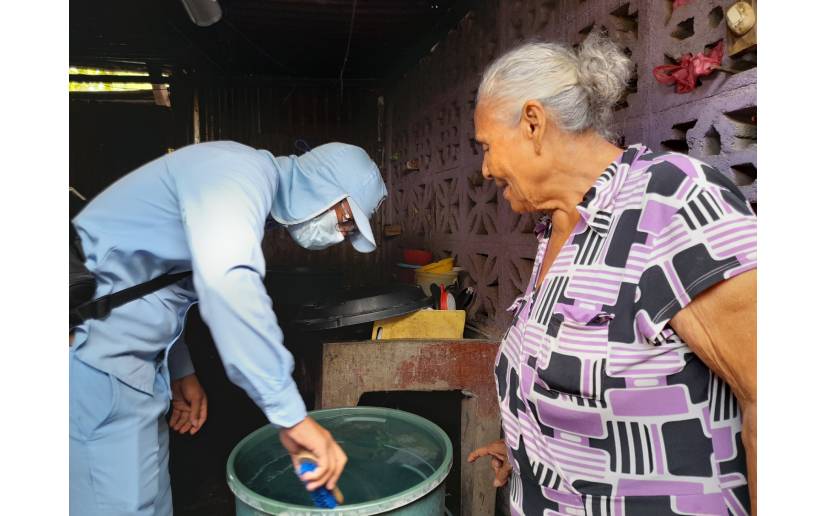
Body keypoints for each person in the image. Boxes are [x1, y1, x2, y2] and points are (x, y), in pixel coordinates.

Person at [466, 33, 757, 515]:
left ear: (533, 123)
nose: (485, 168)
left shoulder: (672, 200)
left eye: (487, 146)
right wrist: (532, 447)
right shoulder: (557, 227)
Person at [70, 141, 388, 516]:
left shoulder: (249, 192)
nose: (341, 235)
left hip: (135, 368)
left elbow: (160, 287)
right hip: (95, 360)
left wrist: (180, 369)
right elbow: (228, 286)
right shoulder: (236, 174)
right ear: (327, 188)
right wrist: (292, 416)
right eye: (346, 221)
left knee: (151, 504)